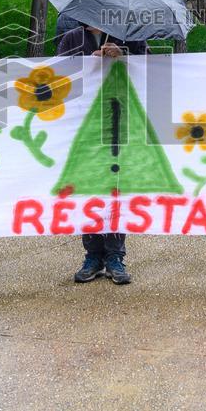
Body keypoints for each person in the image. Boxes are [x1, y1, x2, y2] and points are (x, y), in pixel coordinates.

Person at [57, 23, 146, 284]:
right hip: (83, 124)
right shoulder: (72, 37)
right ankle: (92, 255)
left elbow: (150, 67)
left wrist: (124, 54)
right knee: (89, 189)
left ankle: (115, 257)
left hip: (118, 121)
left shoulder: (127, 36)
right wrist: (87, 63)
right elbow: (58, 73)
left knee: (114, 189)